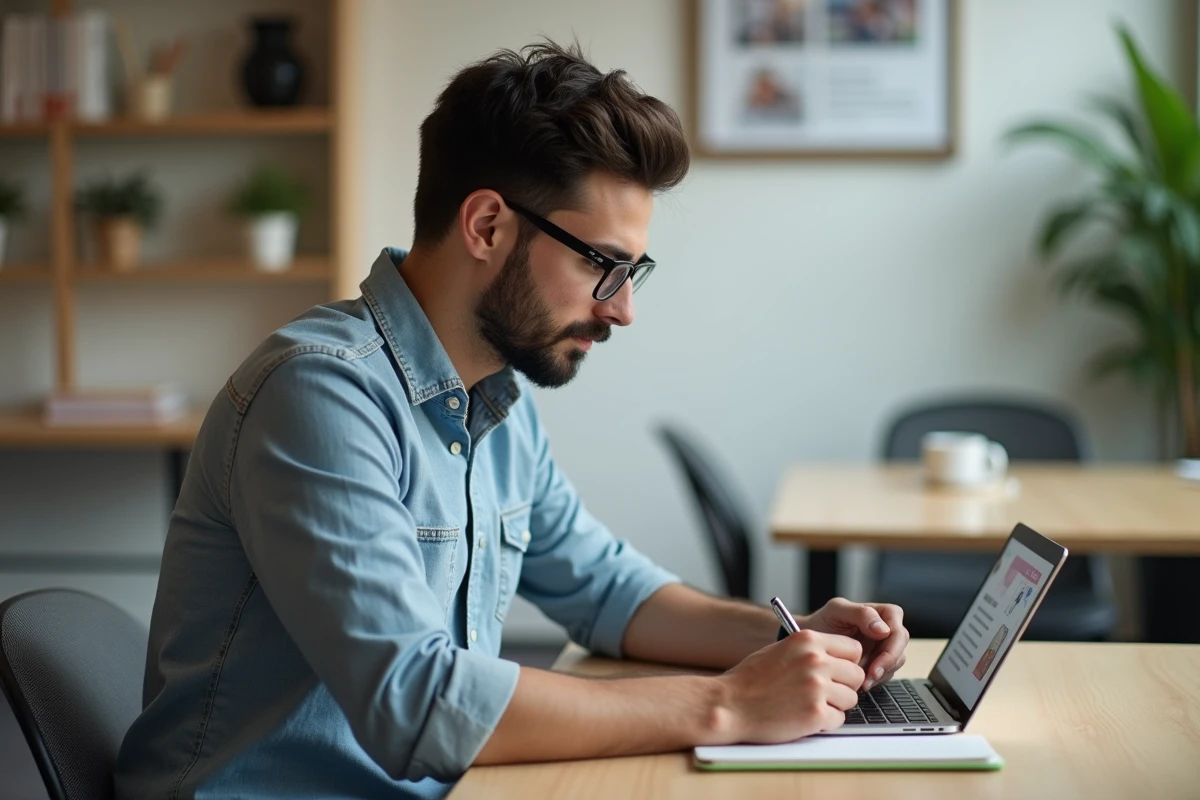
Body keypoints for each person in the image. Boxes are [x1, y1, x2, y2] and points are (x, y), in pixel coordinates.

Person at [114, 40, 909, 799]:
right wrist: (728, 706)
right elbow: (414, 700)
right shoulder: (319, 396)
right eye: (602, 264)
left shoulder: (496, 398)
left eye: (635, 272)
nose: (624, 310)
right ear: (487, 226)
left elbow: (607, 591)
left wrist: (792, 641)